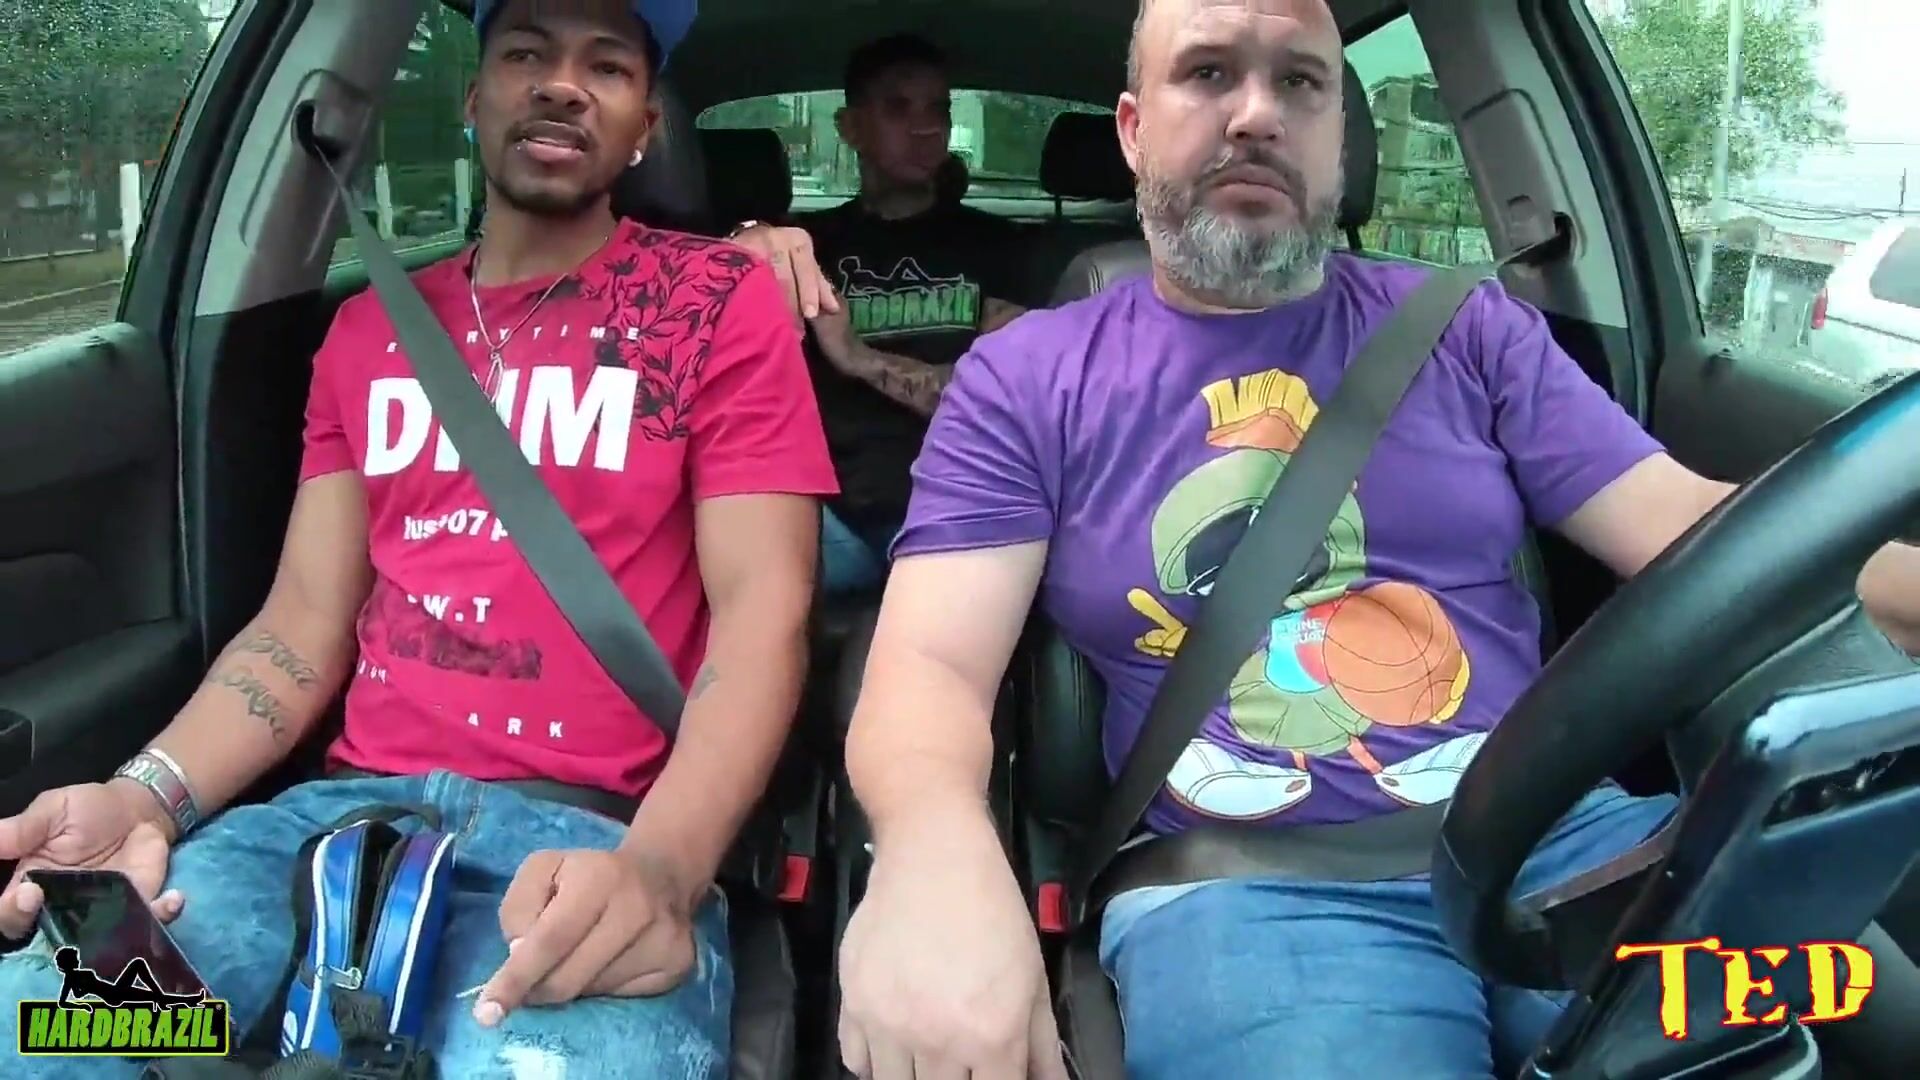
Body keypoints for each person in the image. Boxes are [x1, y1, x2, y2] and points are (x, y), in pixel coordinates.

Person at [831, 1, 1920, 1077]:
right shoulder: (1026, 378)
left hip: (1555, 834)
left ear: (1340, 141)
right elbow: (930, 663)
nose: (1256, 113)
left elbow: (1704, 540)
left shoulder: (1470, 329)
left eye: (1301, 82)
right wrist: (933, 856)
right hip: (1250, 891)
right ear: (1132, 129)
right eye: (1207, 73)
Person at [0, 1, 838, 1076]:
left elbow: (763, 619)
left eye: (608, 67)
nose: (562, 83)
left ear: (644, 129)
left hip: (593, 842)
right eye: (526, 53)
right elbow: (300, 628)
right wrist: (142, 795)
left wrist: (662, 872)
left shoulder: (716, 303)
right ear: (473, 100)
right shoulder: (367, 332)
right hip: (324, 833)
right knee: (47, 1034)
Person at [731, 34, 1030, 593]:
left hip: (952, 507)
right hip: (820, 513)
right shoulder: (804, 246)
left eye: (938, 110)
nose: (926, 128)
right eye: (898, 108)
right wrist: (749, 234)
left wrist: (858, 358)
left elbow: (1004, 401)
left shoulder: (1000, 247)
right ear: (850, 128)